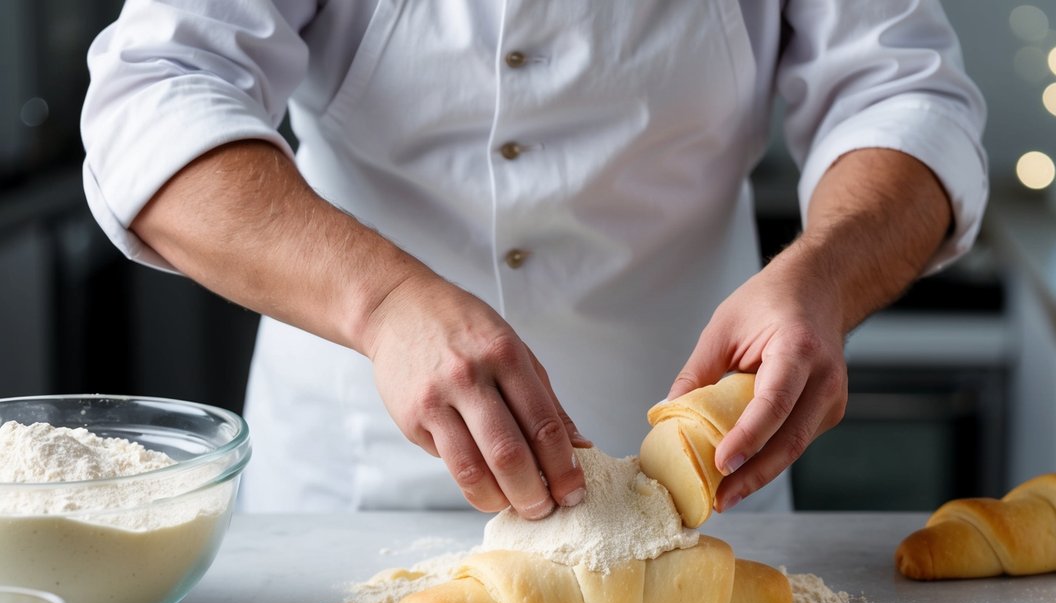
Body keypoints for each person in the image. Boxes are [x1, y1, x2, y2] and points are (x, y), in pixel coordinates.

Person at [81, 1, 986, 518]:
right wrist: (385, 303)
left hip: (699, 494)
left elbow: (902, 94)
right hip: (347, 493)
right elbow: (153, 97)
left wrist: (825, 273)